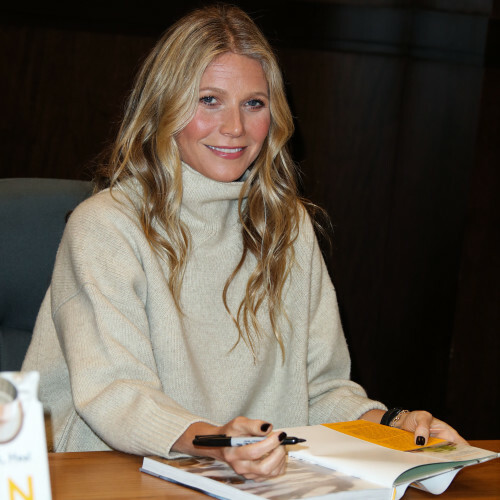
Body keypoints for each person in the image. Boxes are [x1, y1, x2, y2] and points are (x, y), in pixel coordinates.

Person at [22, 4, 465, 480]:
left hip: (244, 480)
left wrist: (396, 427)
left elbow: (321, 391)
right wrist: (218, 443)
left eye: (253, 103)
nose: (234, 127)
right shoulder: (104, 226)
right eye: (209, 100)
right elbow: (116, 395)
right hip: (111, 474)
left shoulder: (287, 225)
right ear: (165, 106)